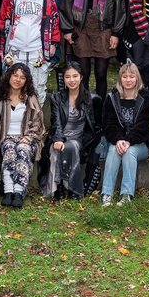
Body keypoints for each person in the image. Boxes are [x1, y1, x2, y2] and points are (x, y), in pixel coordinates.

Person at [63, 0, 124, 99]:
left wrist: (116, 33)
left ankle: (101, 112)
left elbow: (119, 5)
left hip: (104, 27)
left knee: (101, 72)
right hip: (81, 26)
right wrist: (68, 28)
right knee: (83, 72)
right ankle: (82, 111)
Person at [0, 63, 46, 208]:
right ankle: (8, 191)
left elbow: (38, 124)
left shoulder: (30, 98)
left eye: (22, 77)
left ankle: (18, 192)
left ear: (26, 80)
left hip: (26, 137)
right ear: (9, 76)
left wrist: (29, 137)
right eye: (15, 75)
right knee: (9, 149)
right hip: (6, 138)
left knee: (23, 150)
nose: (18, 80)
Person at [98, 62, 149, 206]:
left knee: (129, 152)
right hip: (118, 141)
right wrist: (118, 140)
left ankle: (126, 195)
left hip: (140, 143)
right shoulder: (112, 98)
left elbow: (144, 126)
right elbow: (108, 124)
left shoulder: (146, 98)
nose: (128, 80)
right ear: (120, 79)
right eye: (125, 76)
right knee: (113, 149)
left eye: (132, 76)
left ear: (137, 79)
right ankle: (107, 194)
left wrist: (128, 140)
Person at [44, 62, 100, 200]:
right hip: (60, 135)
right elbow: (55, 122)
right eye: (68, 77)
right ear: (64, 79)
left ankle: (74, 189)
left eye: (75, 76)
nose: (72, 80)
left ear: (81, 77)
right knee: (56, 149)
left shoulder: (91, 99)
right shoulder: (56, 97)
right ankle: (59, 188)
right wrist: (58, 139)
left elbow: (94, 126)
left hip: (80, 139)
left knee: (71, 146)